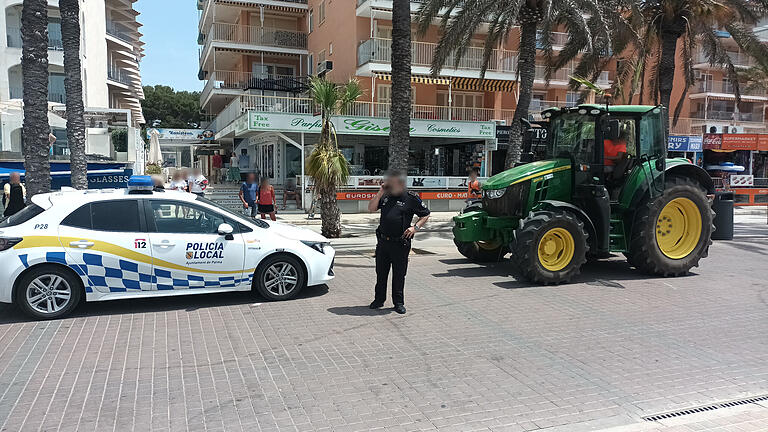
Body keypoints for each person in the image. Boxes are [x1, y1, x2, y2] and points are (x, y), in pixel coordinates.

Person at [367, 170, 430, 314]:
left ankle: (398, 302)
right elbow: (371, 209)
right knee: (381, 273)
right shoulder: (385, 196)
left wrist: (415, 227)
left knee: (399, 274)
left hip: (400, 243)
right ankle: (379, 300)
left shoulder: (411, 198)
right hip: (383, 242)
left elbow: (425, 214)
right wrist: (380, 191)